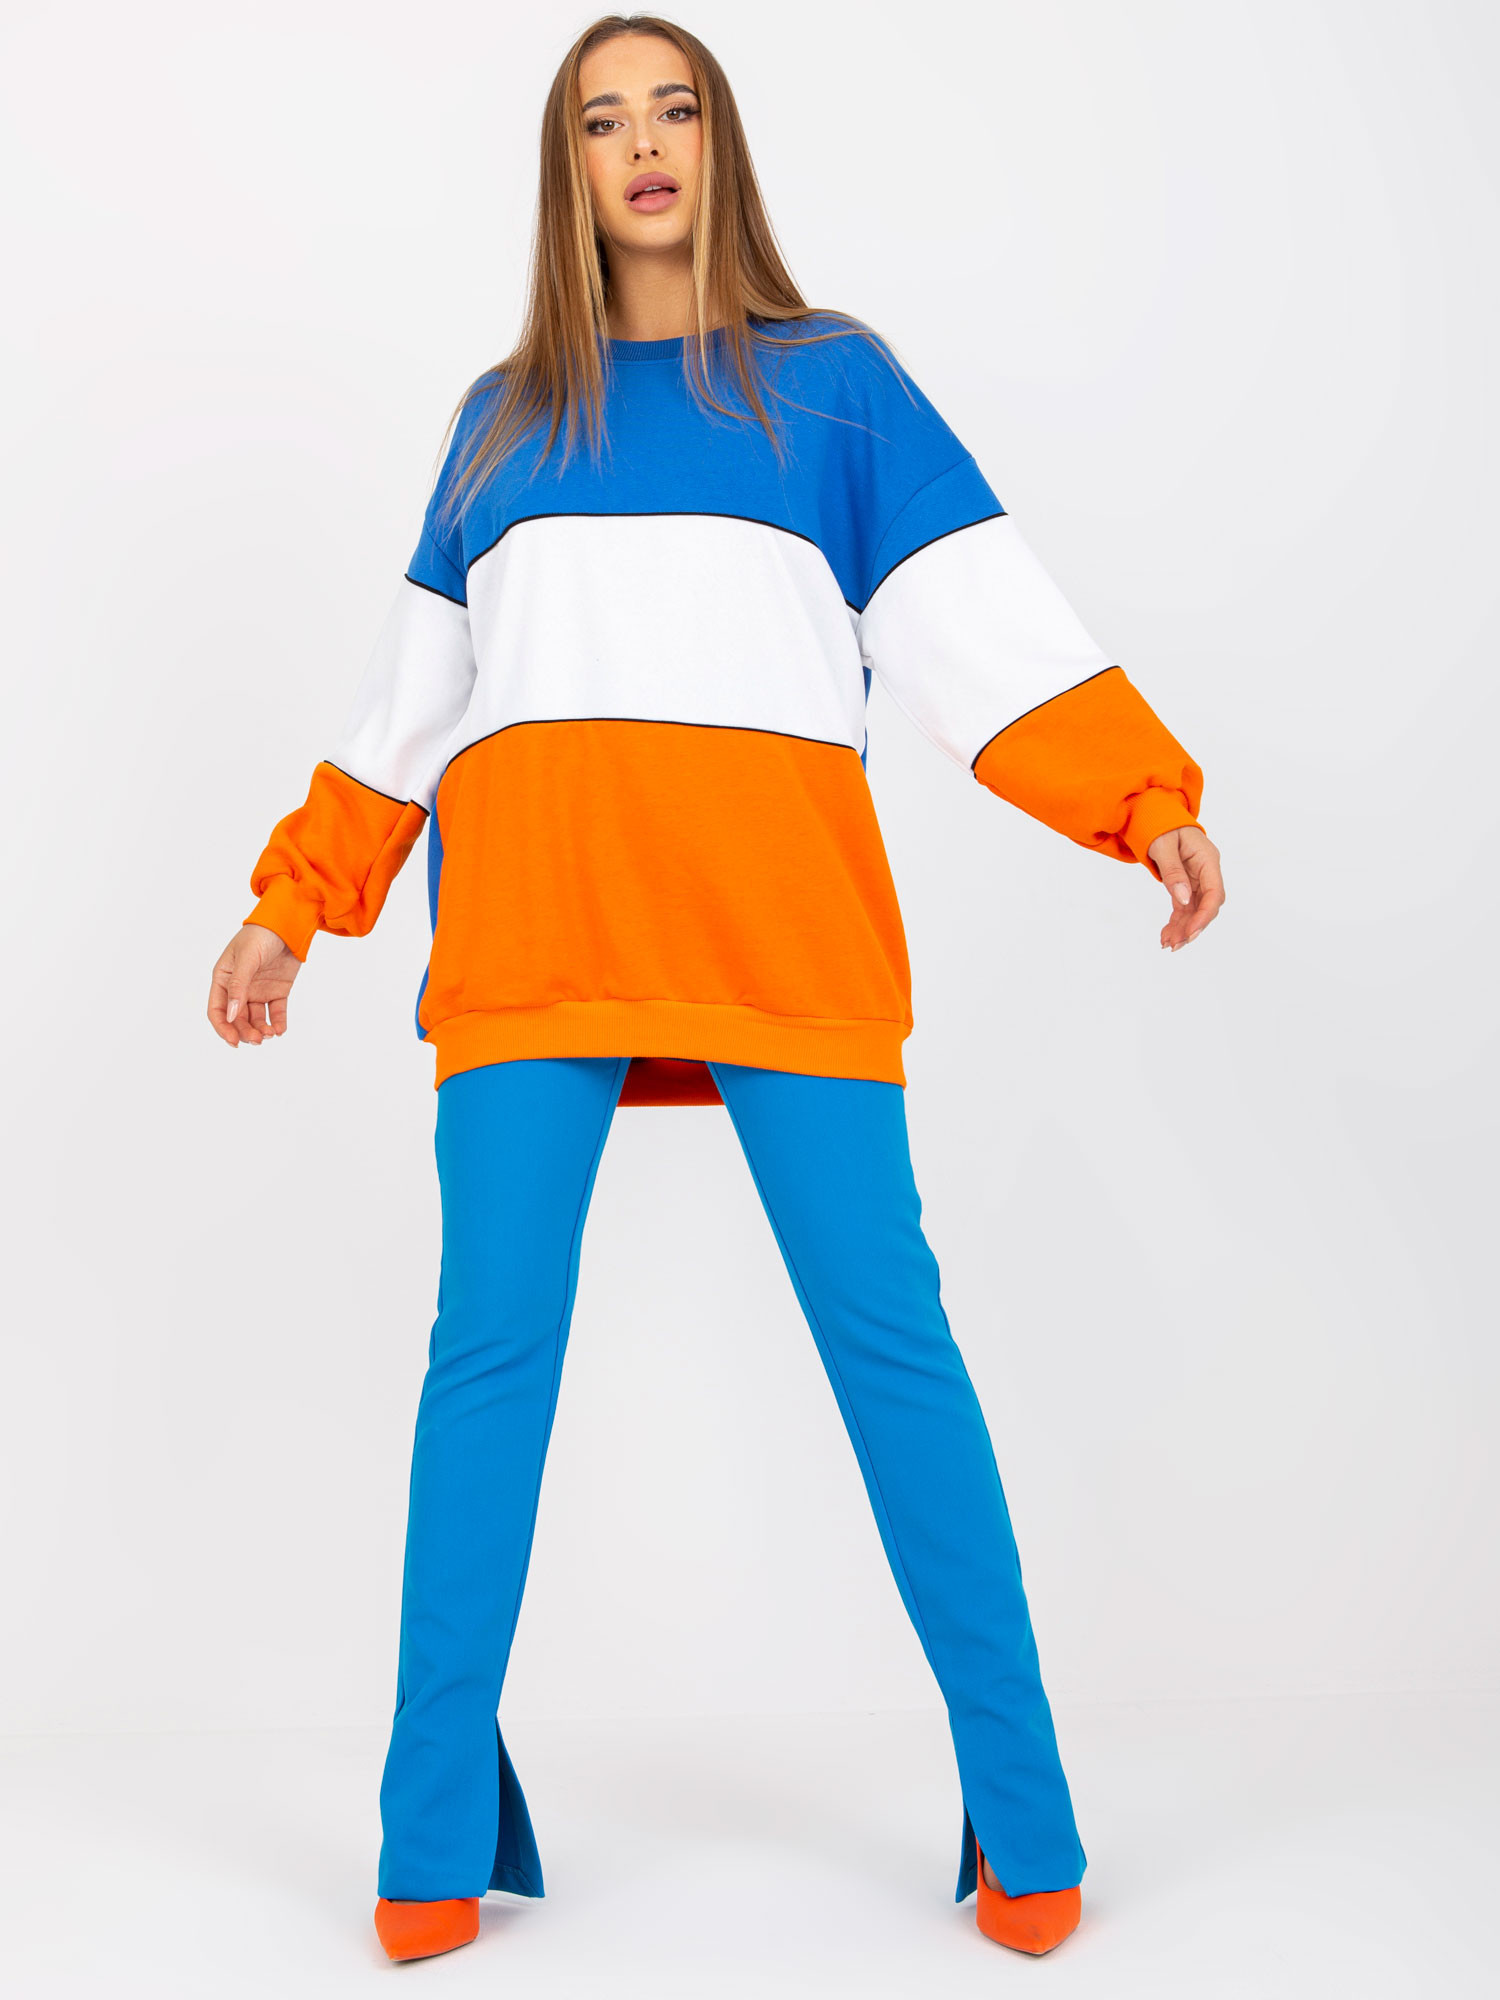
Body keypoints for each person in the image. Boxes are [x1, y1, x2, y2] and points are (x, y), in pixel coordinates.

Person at [207, 10, 1224, 1966]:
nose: (645, 144)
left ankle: (1027, 1822)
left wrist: (1141, 800)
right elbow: (411, 705)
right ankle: (427, 1846)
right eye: (605, 120)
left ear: (719, 142)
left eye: (674, 108)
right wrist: (293, 907)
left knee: (892, 1351)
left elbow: (980, 623)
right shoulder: (499, 421)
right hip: (533, 941)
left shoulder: (835, 388)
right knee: (486, 1364)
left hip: (780, 935)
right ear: (568, 168)